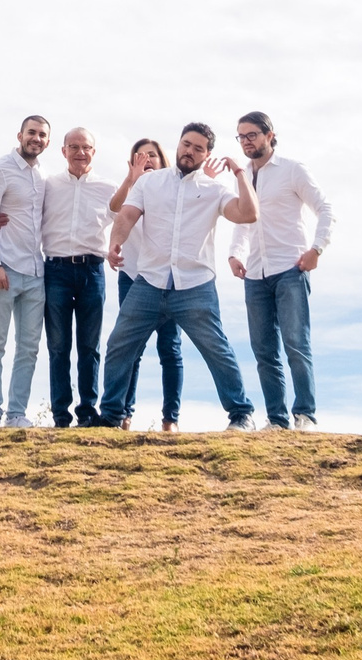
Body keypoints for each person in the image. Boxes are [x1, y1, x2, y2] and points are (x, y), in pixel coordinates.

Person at [88, 124, 261, 430]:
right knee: (119, 344)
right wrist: (116, 241)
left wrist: (239, 175)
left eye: (197, 148)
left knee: (215, 348)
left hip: (195, 286)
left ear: (207, 154)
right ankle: (112, 416)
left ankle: (241, 414)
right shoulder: (150, 182)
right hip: (150, 282)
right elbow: (126, 215)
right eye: (186, 144)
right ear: (178, 145)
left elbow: (247, 214)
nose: (189, 151)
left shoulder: (214, 190)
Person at [225, 110, 335, 432]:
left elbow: (325, 208)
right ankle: (276, 420)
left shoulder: (292, 170)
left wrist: (316, 249)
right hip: (255, 274)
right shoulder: (243, 175)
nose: (246, 142)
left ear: (269, 135)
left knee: (295, 344)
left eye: (252, 135)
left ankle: (306, 415)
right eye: (241, 137)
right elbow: (245, 219)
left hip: (290, 268)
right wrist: (234, 254)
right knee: (264, 352)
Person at [0, 115, 50, 426]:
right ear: (20, 135)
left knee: (29, 348)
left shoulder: (44, 176)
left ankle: (17, 414)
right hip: (2, 269)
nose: (37, 138)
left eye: (43, 135)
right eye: (32, 132)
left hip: (35, 272)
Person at [106, 136, 185, 430]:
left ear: (164, 160)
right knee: (131, 348)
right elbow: (115, 208)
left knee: (170, 349)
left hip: (168, 280)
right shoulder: (131, 188)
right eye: (139, 156)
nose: (146, 160)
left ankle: (170, 419)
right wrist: (132, 179)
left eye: (152, 155)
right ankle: (124, 413)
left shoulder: (175, 188)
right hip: (132, 277)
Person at [38, 127, 115, 428]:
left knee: (90, 345)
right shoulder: (48, 185)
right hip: (55, 270)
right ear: (63, 151)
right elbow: (27, 211)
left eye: (86, 147)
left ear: (94, 152)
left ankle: (87, 411)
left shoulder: (109, 188)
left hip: (93, 270)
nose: (80, 152)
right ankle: (60, 415)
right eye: (74, 147)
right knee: (58, 345)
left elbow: (130, 221)